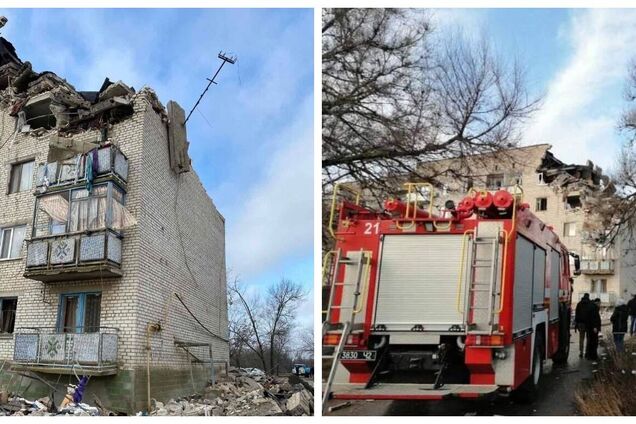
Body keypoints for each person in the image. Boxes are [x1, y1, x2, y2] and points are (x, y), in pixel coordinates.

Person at [575, 293, 593, 357]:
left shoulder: (579, 304)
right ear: (588, 297)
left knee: (581, 338)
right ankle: (587, 352)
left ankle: (581, 352)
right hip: (588, 324)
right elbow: (592, 315)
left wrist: (576, 324)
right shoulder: (590, 304)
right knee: (588, 338)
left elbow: (576, 314)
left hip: (581, 323)